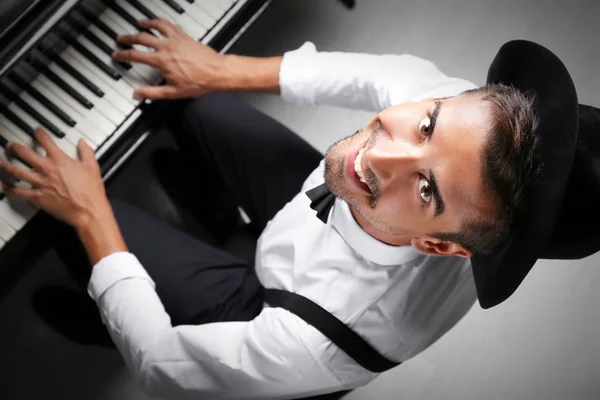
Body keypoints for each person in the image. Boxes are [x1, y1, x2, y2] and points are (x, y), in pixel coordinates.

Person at [1, 18, 599, 400]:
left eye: (425, 189)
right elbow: (390, 78)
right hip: (312, 212)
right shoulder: (472, 130)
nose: (380, 153)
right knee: (187, 94)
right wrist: (221, 68)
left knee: (71, 217)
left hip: (274, 310)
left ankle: (95, 312)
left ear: (444, 246)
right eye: (425, 123)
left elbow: (162, 366)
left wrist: (89, 216)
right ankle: (211, 211)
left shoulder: (312, 345)